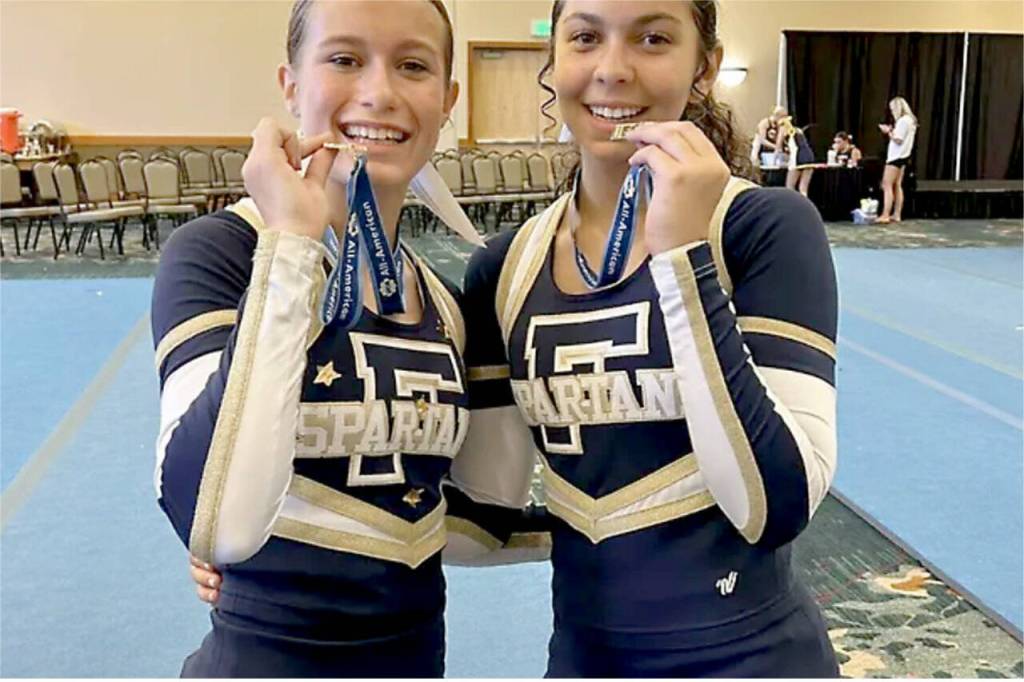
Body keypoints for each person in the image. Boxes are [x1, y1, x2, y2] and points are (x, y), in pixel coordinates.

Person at [191, 0, 840, 676]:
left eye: (652, 38)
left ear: (703, 67)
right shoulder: (505, 269)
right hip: (585, 662)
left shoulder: (762, 229)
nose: (613, 69)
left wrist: (683, 263)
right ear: (552, 62)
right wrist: (270, 526)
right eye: (585, 37)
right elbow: (482, 514)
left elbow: (775, 505)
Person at [152, 0, 545, 676]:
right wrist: (291, 246)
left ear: (447, 100)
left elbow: (475, 521)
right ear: (290, 85)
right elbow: (212, 516)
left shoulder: (445, 305)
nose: (379, 92)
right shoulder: (223, 254)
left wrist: (635, 526)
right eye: (344, 59)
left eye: (413, 66)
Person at [877, 96, 917, 223]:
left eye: (892, 109)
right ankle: (896, 214)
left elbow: (898, 139)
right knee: (897, 185)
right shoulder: (911, 121)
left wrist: (888, 132)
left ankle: (885, 214)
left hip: (896, 156)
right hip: (904, 156)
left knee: (887, 184)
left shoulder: (903, 121)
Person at [778, 115, 816, 196]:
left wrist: (775, 160)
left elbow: (778, 147)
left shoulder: (785, 130)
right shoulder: (799, 131)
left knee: (790, 187)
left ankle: (791, 202)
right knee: (803, 188)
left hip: (798, 156)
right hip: (809, 156)